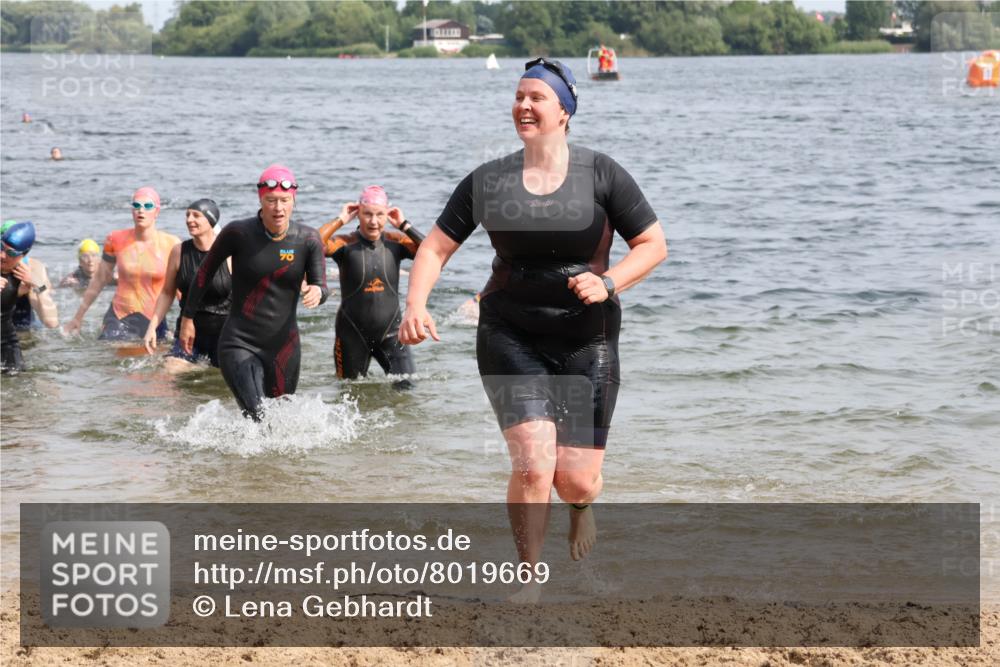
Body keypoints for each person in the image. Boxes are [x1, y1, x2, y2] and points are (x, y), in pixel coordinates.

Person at [399, 58, 667, 600]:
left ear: (565, 111)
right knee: (532, 459)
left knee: (576, 479)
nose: (524, 105)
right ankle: (529, 578)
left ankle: (582, 508)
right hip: (509, 333)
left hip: (586, 339)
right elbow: (434, 246)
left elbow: (653, 245)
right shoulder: (490, 179)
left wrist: (609, 283)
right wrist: (415, 304)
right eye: (519, 95)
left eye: (537, 97)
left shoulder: (602, 174)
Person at [179, 165, 328, 421]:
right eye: (271, 201)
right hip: (239, 341)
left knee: (280, 420)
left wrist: (317, 291)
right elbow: (203, 274)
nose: (278, 208)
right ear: (261, 199)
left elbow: (322, 286)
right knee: (257, 417)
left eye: (284, 201)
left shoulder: (309, 239)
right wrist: (187, 319)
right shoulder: (239, 233)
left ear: (294, 200)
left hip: (284, 345)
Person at [317, 186, 424, 387]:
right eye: (367, 214)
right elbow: (312, 243)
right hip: (351, 335)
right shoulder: (345, 244)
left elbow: (430, 251)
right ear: (358, 214)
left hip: (392, 333)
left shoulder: (396, 242)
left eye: (379, 214)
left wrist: (404, 225)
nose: (373, 221)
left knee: (408, 388)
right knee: (349, 394)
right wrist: (340, 219)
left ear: (388, 214)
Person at [64, 187, 180, 341]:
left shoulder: (171, 244)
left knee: (154, 361)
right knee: (111, 355)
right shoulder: (116, 239)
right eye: (136, 206)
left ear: (157, 211)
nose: (141, 211)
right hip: (119, 316)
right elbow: (99, 280)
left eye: (148, 206)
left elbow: (180, 288)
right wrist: (78, 317)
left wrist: (187, 323)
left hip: (154, 318)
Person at [142, 199, 231, 373]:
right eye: (187, 215)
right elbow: (167, 293)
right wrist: (152, 327)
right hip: (187, 334)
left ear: (211, 220)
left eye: (196, 215)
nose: (189, 220)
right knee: (169, 369)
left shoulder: (229, 253)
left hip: (224, 335)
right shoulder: (179, 252)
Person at [2, 222, 59, 373]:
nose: (3, 256)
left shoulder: (31, 269)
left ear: (23, 254)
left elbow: (51, 322)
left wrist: (36, 284)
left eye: (12, 253)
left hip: (20, 329)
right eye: (1, 247)